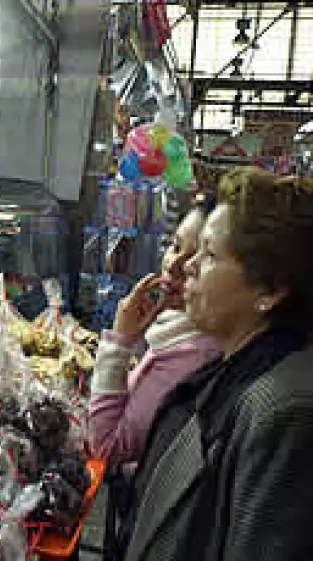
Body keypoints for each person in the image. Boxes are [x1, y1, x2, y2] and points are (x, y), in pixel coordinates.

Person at [122, 168, 313, 561]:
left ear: (270, 290)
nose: (188, 266)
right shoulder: (233, 370)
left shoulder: (284, 412)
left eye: (209, 254)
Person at [90, 193, 220, 467]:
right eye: (175, 246)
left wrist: (119, 343)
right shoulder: (177, 327)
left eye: (198, 257)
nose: (174, 265)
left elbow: (108, 446)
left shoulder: (196, 355)